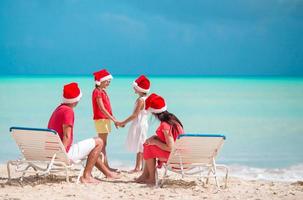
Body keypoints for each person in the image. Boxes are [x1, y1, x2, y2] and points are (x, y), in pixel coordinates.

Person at [47, 82, 119, 184]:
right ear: (75, 100)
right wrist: (61, 156)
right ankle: (86, 176)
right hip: (62, 155)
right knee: (99, 142)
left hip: (51, 153)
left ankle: (108, 173)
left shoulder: (58, 109)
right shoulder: (68, 111)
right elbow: (67, 136)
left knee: (92, 147)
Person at [135, 93, 184, 185]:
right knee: (149, 145)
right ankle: (145, 175)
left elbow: (171, 147)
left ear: (153, 112)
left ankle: (151, 178)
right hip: (181, 155)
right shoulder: (174, 120)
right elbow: (171, 138)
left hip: (176, 159)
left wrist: (154, 142)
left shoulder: (165, 125)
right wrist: (155, 138)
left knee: (149, 147)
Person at [115, 75, 151, 173]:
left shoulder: (141, 100)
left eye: (135, 88)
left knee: (140, 145)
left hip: (139, 124)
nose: (134, 89)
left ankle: (138, 167)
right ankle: (140, 167)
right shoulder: (147, 99)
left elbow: (134, 115)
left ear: (140, 89)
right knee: (140, 145)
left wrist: (123, 122)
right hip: (143, 123)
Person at [92, 69, 117, 171]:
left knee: (103, 144)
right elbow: (102, 108)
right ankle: (105, 167)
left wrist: (113, 119)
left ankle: (105, 166)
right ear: (100, 81)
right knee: (102, 144)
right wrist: (114, 120)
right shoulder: (97, 92)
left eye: (109, 81)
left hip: (105, 120)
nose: (108, 83)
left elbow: (108, 108)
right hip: (101, 120)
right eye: (107, 81)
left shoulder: (102, 92)